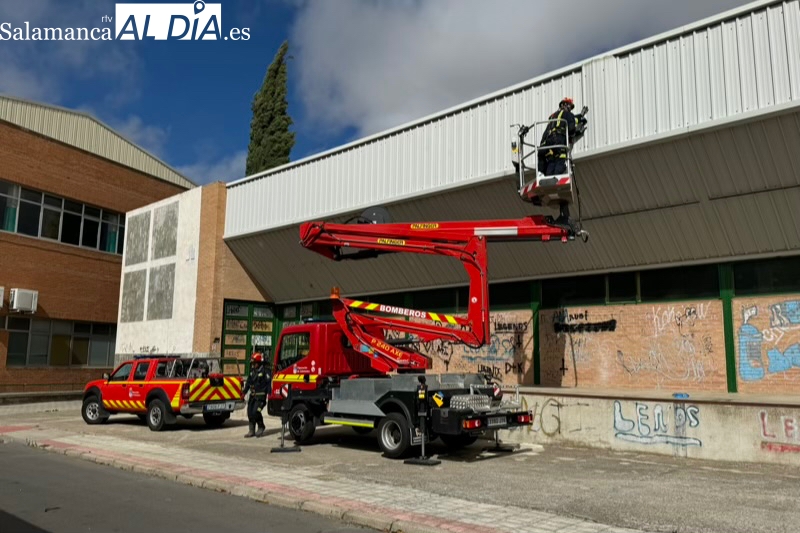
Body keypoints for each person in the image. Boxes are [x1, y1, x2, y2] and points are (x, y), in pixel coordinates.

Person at [540, 97, 586, 176]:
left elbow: (545, 133)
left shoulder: (553, 117)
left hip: (549, 142)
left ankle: (548, 177)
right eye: (569, 106)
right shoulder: (568, 114)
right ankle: (557, 176)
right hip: (559, 138)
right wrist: (578, 132)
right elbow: (571, 128)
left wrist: (542, 145)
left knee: (552, 159)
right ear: (564, 105)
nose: (570, 109)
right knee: (561, 156)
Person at [243, 352, 271, 438]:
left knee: (256, 412)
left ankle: (261, 426)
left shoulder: (265, 371)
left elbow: (268, 383)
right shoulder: (252, 372)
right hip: (252, 396)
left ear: (258, 363)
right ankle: (251, 430)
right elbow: (248, 383)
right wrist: (243, 393)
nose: (253, 365)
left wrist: (269, 394)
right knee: (250, 413)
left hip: (260, 397)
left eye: (254, 363)